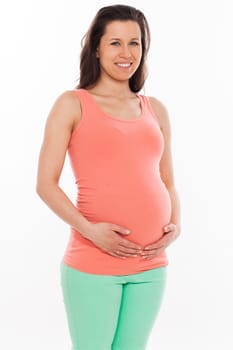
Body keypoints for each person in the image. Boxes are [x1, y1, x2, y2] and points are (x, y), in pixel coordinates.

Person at [36, 4, 181, 350]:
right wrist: (90, 231)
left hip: (150, 264)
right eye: (115, 43)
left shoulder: (155, 109)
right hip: (93, 261)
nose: (126, 53)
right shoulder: (72, 104)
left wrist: (175, 226)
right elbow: (45, 184)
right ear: (97, 48)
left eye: (135, 43)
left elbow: (168, 179)